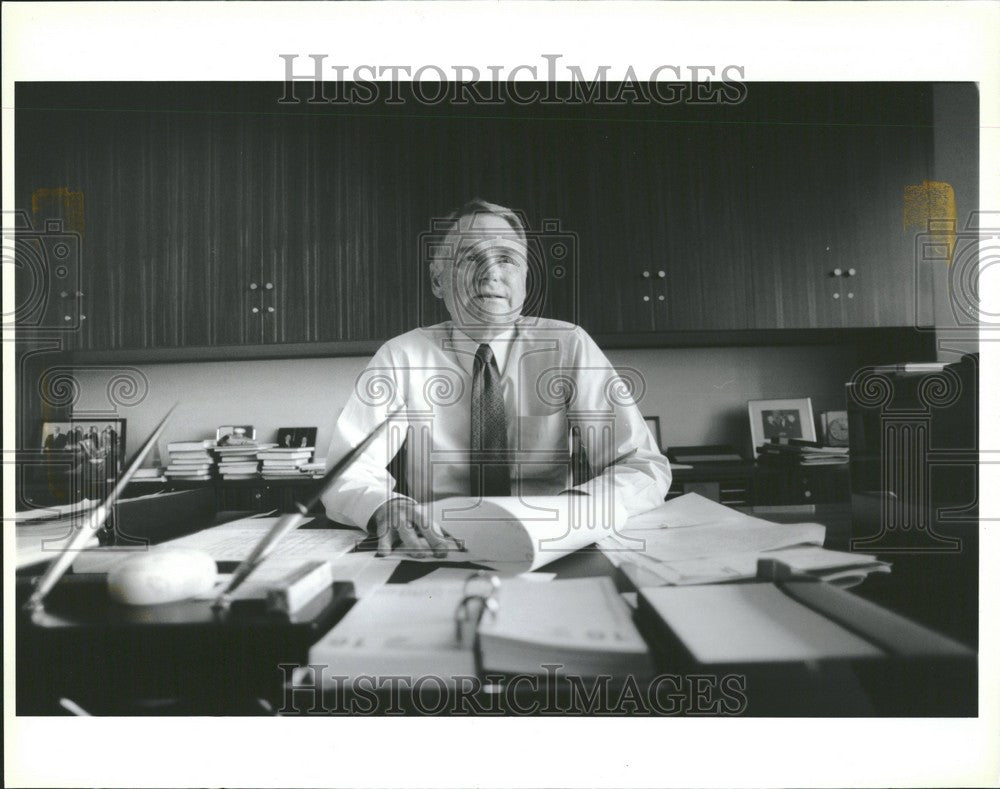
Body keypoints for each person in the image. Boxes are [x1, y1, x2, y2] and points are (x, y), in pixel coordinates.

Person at [321, 198, 670, 557]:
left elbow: (642, 466)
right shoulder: (401, 356)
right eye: (470, 258)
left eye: (507, 259)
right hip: (436, 544)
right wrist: (384, 506)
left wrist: (577, 508)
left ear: (523, 279)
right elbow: (346, 469)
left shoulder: (569, 346)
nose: (490, 272)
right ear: (437, 281)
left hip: (553, 540)